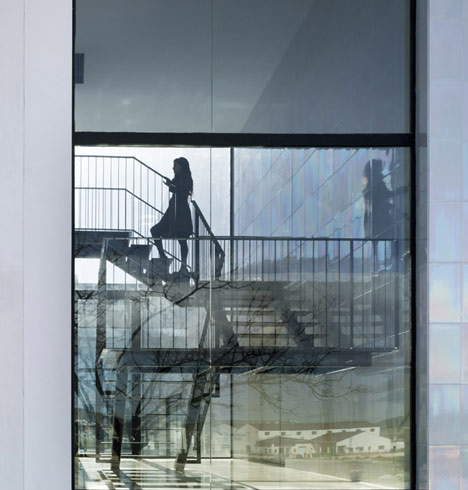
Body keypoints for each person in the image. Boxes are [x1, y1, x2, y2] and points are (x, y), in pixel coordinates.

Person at [151, 157, 193, 274]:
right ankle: (163, 255)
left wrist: (171, 185)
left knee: (182, 238)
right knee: (156, 231)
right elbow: (176, 189)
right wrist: (171, 184)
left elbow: (181, 191)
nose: (173, 168)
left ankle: (183, 265)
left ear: (181, 166)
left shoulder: (186, 178)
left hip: (180, 211)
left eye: (175, 166)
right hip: (174, 211)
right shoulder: (179, 178)